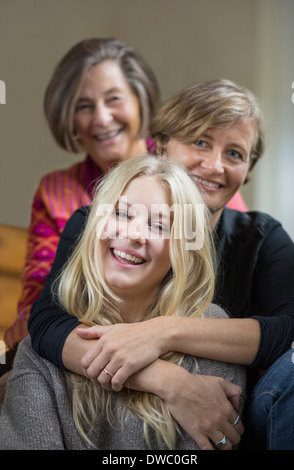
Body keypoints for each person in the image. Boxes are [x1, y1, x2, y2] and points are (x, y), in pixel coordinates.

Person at [28, 79, 294, 450]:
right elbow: (48, 322)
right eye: (200, 141)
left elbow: (293, 329)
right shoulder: (99, 224)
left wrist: (163, 331)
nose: (215, 165)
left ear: (247, 170)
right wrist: (171, 382)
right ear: (161, 145)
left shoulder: (262, 237)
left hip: (231, 409)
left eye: (235, 154)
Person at [0, 39, 245, 388]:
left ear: (140, 101)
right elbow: (41, 302)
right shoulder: (55, 192)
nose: (101, 118)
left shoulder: (188, 176)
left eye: (114, 98)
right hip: (72, 357)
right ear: (69, 117)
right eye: (84, 106)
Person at [0, 155, 246, 450]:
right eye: (122, 214)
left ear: (181, 250)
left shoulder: (212, 335)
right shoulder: (41, 351)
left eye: (159, 226)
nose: (133, 234)